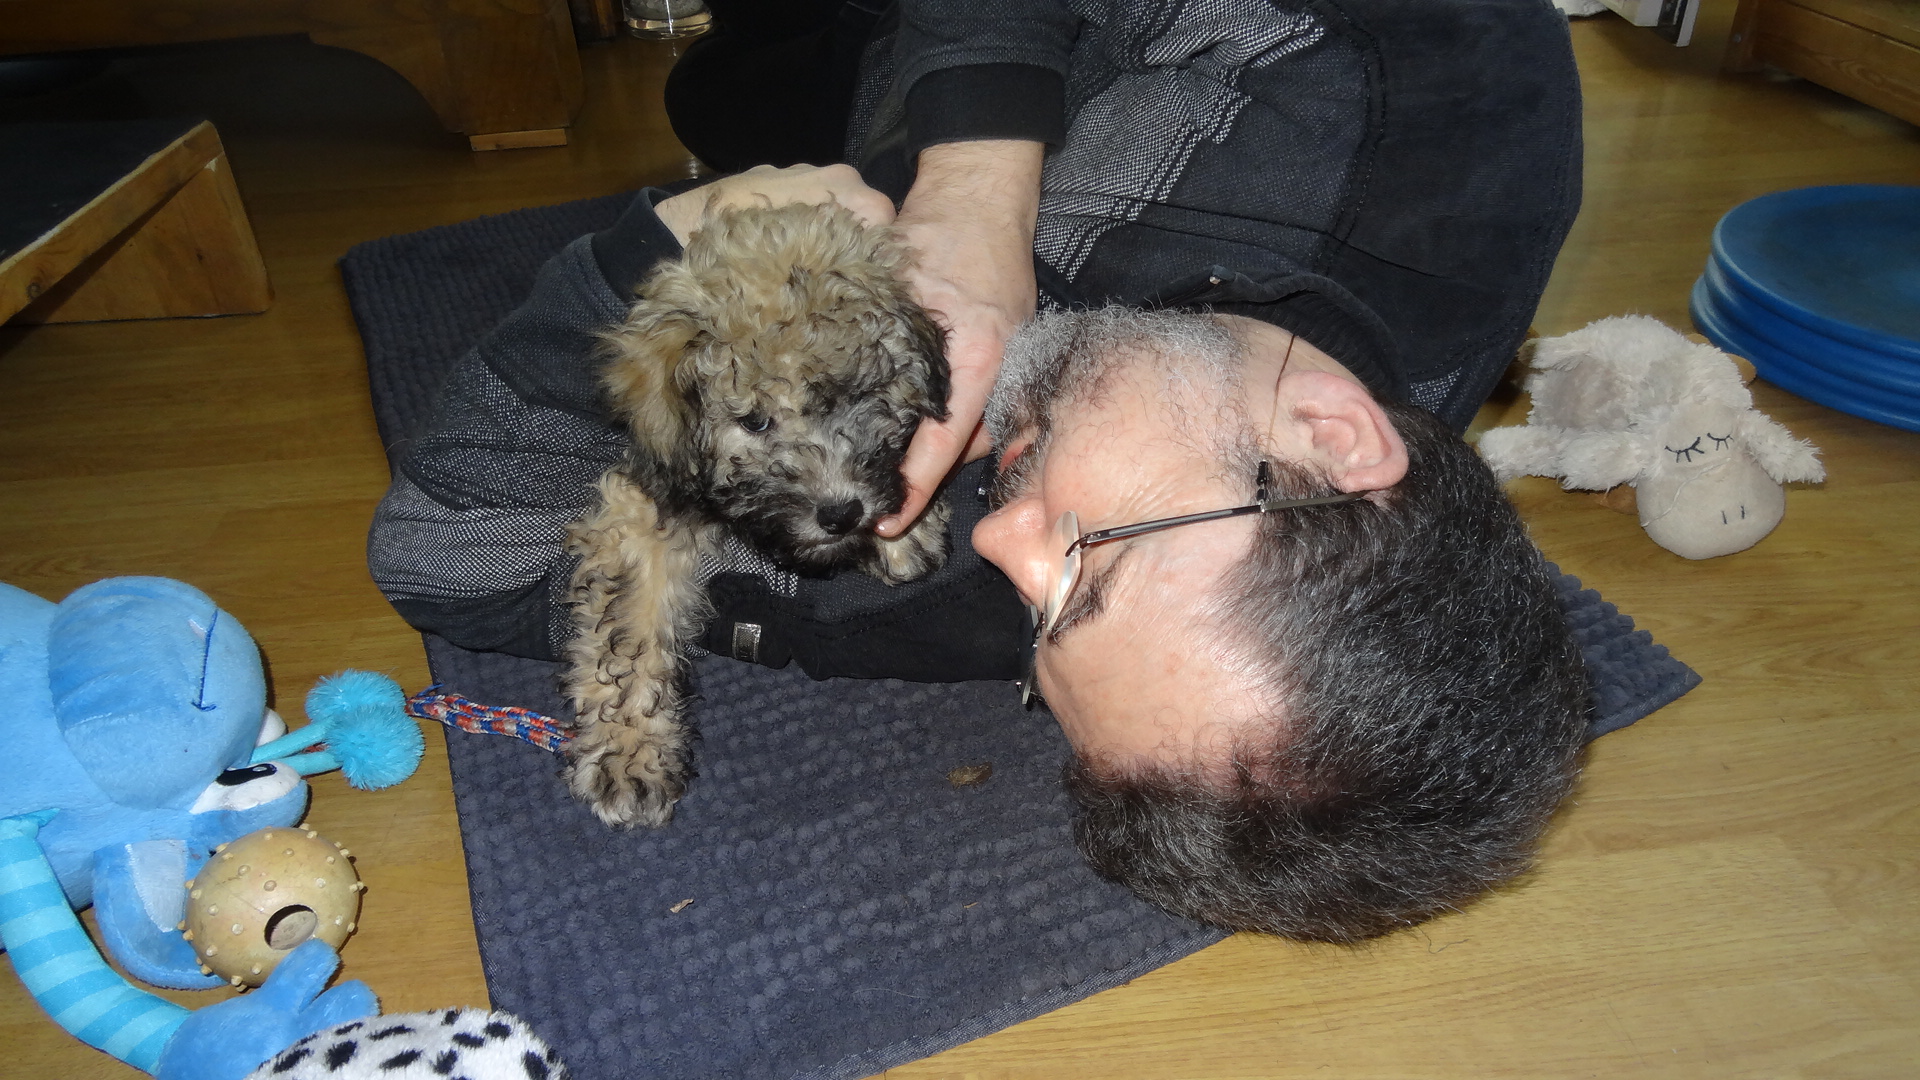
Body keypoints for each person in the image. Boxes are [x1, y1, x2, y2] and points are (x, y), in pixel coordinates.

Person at [368, 0, 1591, 941]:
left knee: (722, 83)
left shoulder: (943, 582)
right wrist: (974, 184)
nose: (998, 546)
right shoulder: (1426, 89)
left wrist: (646, 257)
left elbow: (450, 560)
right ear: (1331, 435)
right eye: (1092, 570)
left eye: (1035, 642)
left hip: (815, 79)